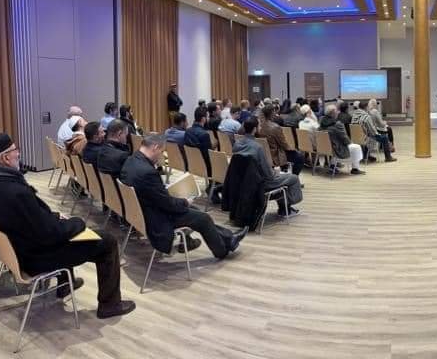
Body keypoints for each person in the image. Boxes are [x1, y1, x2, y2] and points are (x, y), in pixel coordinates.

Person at [0, 133, 135, 318]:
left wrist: (56, 219)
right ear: (5, 158)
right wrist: (77, 223)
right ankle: (110, 305)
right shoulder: (15, 192)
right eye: (15, 150)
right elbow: (50, 234)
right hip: (36, 256)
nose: (18, 153)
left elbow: (32, 221)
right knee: (107, 241)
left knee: (62, 223)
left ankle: (64, 285)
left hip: (19, 250)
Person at [120, 134, 248, 259]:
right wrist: (185, 201)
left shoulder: (130, 161)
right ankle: (222, 251)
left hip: (143, 213)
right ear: (155, 147)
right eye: (162, 151)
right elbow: (168, 204)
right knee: (203, 218)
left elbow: (155, 195)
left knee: (196, 212)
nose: (161, 156)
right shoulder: (148, 172)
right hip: (157, 219)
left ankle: (228, 238)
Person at [233, 119, 303, 217]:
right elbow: (268, 175)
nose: (260, 127)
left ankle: (284, 208)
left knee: (282, 178)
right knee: (293, 178)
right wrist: (275, 173)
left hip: (244, 182)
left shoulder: (237, 144)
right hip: (261, 183)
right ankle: (285, 208)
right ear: (255, 129)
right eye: (259, 126)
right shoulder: (257, 147)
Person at [320, 104, 365, 175]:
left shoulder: (322, 122)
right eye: (336, 111)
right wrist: (350, 142)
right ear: (333, 113)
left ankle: (332, 166)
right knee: (356, 147)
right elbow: (345, 139)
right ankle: (355, 168)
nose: (338, 112)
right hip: (336, 148)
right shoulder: (337, 124)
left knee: (346, 146)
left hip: (325, 147)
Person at [260, 104, 304, 174]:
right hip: (275, 154)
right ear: (272, 113)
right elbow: (284, 144)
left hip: (263, 153)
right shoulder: (275, 127)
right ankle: (294, 177)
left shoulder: (259, 126)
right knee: (300, 157)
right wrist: (293, 149)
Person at [185, 106, 214, 175]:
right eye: (207, 117)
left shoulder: (187, 131)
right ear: (203, 119)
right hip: (205, 168)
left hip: (192, 164)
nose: (208, 118)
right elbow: (208, 156)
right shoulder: (204, 134)